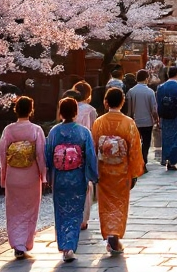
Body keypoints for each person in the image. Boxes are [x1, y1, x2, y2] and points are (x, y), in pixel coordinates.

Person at [91, 87, 144, 255]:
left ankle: (109, 234)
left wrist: (93, 171)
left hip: (104, 170)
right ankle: (115, 235)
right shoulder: (128, 123)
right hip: (121, 171)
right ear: (122, 102)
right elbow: (135, 149)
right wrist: (135, 172)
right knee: (120, 203)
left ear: (106, 102)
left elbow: (93, 147)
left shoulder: (99, 122)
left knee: (106, 204)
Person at [45, 97, 98, 262]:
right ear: (76, 112)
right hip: (77, 177)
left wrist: (48, 175)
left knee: (61, 212)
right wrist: (93, 175)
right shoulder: (83, 132)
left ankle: (63, 245)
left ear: (60, 112)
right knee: (75, 212)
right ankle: (70, 246)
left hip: (59, 178)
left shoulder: (54, 132)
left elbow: (48, 154)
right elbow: (90, 155)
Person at [0, 96, 45, 259]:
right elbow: (40, 154)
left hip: (13, 175)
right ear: (31, 110)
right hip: (31, 175)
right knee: (29, 209)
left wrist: (3, 175)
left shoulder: (9, 130)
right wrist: (43, 175)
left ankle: (16, 244)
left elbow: (3, 154)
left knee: (13, 210)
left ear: (16, 109)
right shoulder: (36, 130)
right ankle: (25, 243)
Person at [72, 81, 98, 231]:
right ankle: (83, 219)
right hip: (84, 148)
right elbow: (94, 130)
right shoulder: (90, 110)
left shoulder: (69, 106)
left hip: (67, 150)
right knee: (86, 185)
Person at [155, 65, 177, 171]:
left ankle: (165, 158)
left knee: (166, 138)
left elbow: (158, 103)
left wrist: (159, 115)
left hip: (165, 116)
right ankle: (172, 161)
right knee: (176, 138)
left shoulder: (160, 87)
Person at [125, 69, 159, 171]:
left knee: (135, 143)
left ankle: (136, 162)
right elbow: (153, 109)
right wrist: (156, 119)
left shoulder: (131, 91)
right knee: (146, 142)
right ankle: (143, 160)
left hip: (134, 121)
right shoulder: (150, 92)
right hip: (147, 122)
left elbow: (129, 109)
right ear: (146, 78)